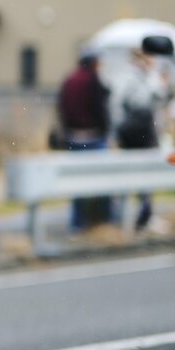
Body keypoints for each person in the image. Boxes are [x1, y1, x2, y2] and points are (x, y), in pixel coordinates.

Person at [108, 48, 169, 230]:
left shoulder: (150, 76)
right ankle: (128, 217)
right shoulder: (126, 76)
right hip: (133, 133)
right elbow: (117, 104)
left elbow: (159, 97)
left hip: (147, 131)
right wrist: (116, 131)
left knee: (147, 177)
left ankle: (145, 215)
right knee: (130, 175)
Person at [56, 49, 112, 230]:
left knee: (77, 184)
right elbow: (99, 108)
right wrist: (106, 130)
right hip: (94, 137)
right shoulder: (92, 80)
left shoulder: (69, 80)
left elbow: (62, 108)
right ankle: (106, 222)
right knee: (104, 181)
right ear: (92, 63)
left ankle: (77, 223)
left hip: (73, 137)